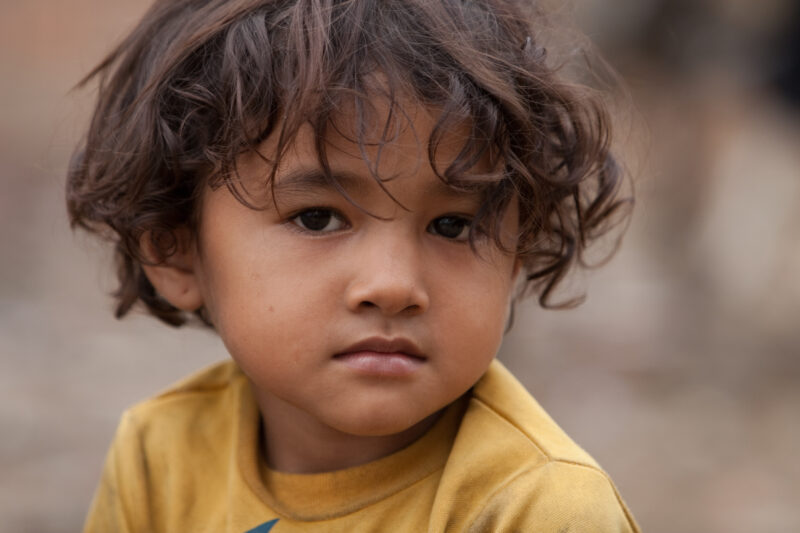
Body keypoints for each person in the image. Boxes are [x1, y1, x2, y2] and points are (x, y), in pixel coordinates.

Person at [68, 0, 639, 531]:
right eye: (318, 218)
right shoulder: (160, 456)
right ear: (175, 248)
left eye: (453, 226)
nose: (393, 286)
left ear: (518, 253)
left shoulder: (537, 509)